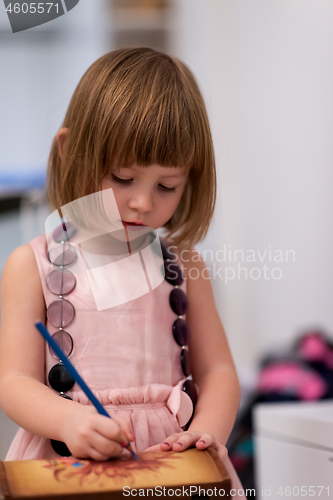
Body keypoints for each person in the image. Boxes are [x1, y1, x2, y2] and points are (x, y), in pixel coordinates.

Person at [0, 48, 243, 494]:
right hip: (69, 461)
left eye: (166, 186)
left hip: (173, 464)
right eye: (122, 178)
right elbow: (13, 380)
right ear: (70, 150)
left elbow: (218, 373)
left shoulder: (185, 266)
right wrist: (69, 419)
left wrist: (204, 435)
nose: (142, 203)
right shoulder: (29, 265)